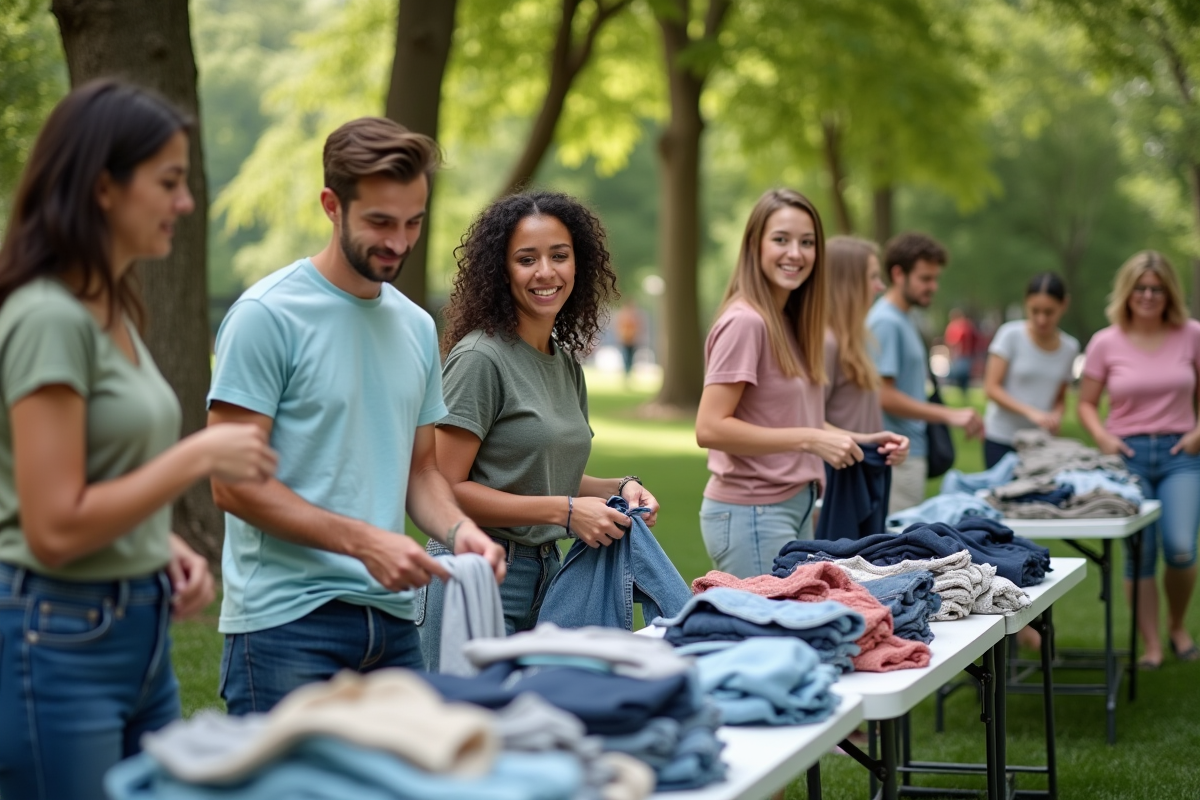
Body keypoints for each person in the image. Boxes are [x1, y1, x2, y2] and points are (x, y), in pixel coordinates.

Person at [0, 80, 277, 800]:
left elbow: (101, 471)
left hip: (137, 630)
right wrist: (197, 457)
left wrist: (166, 544)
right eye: (169, 182)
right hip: (56, 634)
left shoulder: (114, 307)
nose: (186, 203)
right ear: (102, 188)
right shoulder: (47, 318)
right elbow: (55, 524)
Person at [206, 117, 505, 714]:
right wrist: (364, 541)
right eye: (379, 222)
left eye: (413, 222)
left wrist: (459, 531)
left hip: (394, 626)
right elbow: (231, 484)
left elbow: (422, 472)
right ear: (332, 206)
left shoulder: (418, 327)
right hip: (286, 624)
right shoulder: (266, 316)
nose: (399, 240)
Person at [420, 190, 659, 653]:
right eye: (526, 259)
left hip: (549, 577)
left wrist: (622, 485)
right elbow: (445, 488)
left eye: (559, 256)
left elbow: (542, 474)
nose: (546, 272)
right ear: (500, 271)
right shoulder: (479, 359)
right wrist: (567, 513)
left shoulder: (565, 364)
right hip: (476, 574)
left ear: (578, 265)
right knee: (478, 725)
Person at [695, 190, 906, 578]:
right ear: (754, 245)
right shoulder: (747, 322)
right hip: (753, 513)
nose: (795, 253)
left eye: (807, 243)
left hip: (793, 505)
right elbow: (710, 428)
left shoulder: (788, 322)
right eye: (781, 239)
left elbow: (789, 417)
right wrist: (810, 441)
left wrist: (862, 440)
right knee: (772, 636)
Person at [1078, 251, 1200, 669]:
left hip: (1179, 454)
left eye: (1157, 289)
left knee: (1181, 548)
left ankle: (1178, 626)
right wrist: (1102, 437)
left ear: (1169, 293)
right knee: (1140, 552)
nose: (1148, 296)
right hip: (1127, 456)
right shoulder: (1105, 342)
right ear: (1128, 293)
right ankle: (1150, 642)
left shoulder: (1192, 334)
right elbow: (1087, 405)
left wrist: (1197, 434)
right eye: (1141, 289)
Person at [868, 232, 983, 514]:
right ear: (898, 274)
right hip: (897, 457)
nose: (933, 286)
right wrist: (949, 415)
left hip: (908, 454)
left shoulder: (902, 318)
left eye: (935, 278)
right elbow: (883, 396)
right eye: (924, 278)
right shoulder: (886, 322)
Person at [983, 273, 1080, 468]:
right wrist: (1032, 413)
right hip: (1002, 437)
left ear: (1064, 305)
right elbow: (991, 388)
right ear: (1026, 303)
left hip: (1040, 442)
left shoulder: (1070, 347)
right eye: (1034, 311)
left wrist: (1055, 416)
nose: (1041, 319)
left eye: (1049, 312)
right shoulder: (1010, 335)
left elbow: (1060, 397)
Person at [944, 308, 978, 396]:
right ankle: (962, 391)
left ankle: (962, 391)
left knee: (961, 374)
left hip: (962, 354)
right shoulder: (965, 326)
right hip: (964, 354)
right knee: (961, 374)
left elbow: (954, 342)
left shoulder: (960, 326)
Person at [614, 299, 642, 385]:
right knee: (626, 358)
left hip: (632, 341)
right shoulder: (623, 316)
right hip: (625, 341)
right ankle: (626, 375)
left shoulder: (634, 316)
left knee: (630, 359)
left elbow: (638, 328)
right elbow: (619, 328)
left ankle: (628, 375)